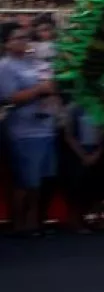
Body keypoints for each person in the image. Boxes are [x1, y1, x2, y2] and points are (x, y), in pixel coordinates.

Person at [0, 22, 60, 236]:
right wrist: (39, 90)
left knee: (41, 181)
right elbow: (9, 98)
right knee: (25, 181)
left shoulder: (34, 63)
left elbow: (49, 85)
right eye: (18, 38)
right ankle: (19, 223)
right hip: (23, 132)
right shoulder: (6, 67)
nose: (23, 41)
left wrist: (51, 89)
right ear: (6, 43)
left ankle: (35, 221)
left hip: (45, 127)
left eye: (25, 37)